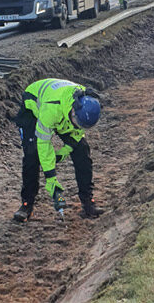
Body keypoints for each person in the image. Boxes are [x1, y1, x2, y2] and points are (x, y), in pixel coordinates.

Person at [13, 78, 104, 222]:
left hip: (63, 112)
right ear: (74, 110)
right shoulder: (51, 110)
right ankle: (26, 205)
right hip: (34, 106)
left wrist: (66, 149)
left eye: (83, 125)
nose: (79, 127)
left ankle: (88, 202)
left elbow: (77, 133)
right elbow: (43, 144)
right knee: (32, 154)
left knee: (82, 151)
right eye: (78, 123)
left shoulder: (85, 103)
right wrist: (51, 179)